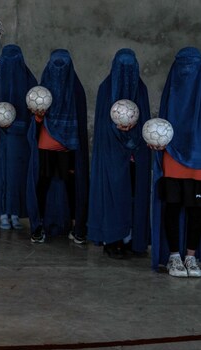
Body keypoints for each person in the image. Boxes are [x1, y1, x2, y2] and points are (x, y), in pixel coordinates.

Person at [88, 49, 151, 258]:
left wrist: (134, 133)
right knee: (113, 196)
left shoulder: (140, 89)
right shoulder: (106, 89)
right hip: (112, 156)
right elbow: (103, 128)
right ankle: (112, 240)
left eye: (131, 67)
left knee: (134, 196)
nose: (126, 73)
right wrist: (118, 130)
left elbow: (145, 123)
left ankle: (133, 240)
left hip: (136, 156)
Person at [26, 49, 89, 244]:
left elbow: (80, 121)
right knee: (42, 185)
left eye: (64, 65)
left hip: (68, 147)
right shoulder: (41, 90)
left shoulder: (77, 91)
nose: (59, 69)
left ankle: (75, 226)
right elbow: (35, 123)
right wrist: (38, 115)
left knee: (72, 187)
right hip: (46, 147)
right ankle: (39, 226)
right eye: (56, 65)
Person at [151, 47, 201, 277]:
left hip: (198, 158)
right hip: (172, 155)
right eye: (182, 66)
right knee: (172, 206)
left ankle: (191, 256)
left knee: (196, 209)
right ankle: (173, 257)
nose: (187, 71)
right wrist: (155, 141)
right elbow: (160, 127)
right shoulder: (171, 93)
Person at [0, 45, 37, 230]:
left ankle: (16, 212)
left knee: (18, 175)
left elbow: (35, 110)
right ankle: (2, 213)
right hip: (1, 139)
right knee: (1, 175)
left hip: (22, 140)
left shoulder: (30, 81)